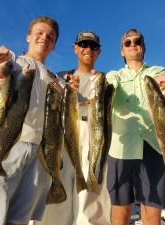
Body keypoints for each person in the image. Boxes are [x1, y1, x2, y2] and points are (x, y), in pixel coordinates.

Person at [0, 16, 69, 225]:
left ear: (54, 45)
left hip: (40, 152)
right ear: (28, 37)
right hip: (6, 142)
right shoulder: (15, 61)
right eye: (39, 33)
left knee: (19, 218)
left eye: (50, 36)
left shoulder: (55, 79)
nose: (45, 38)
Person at [30, 30, 111, 225]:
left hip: (95, 135)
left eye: (93, 46)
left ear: (99, 52)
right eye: (83, 45)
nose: (88, 49)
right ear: (75, 48)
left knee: (91, 201)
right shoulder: (58, 78)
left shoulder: (107, 81)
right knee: (55, 199)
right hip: (62, 134)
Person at [106, 28, 165, 225]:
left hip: (154, 145)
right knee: (120, 211)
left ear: (143, 47)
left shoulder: (157, 71)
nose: (133, 45)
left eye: (137, 41)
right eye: (127, 43)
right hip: (120, 150)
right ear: (122, 51)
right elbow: (108, 86)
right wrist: (107, 87)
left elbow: (163, 84)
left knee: (152, 211)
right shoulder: (114, 75)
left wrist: (162, 86)